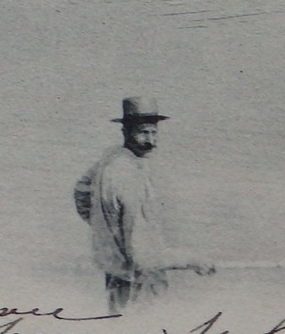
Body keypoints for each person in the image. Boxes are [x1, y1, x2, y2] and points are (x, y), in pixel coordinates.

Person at [74, 97, 212, 312]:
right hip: (139, 286)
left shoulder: (110, 161)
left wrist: (108, 230)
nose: (151, 141)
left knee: (118, 329)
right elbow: (145, 259)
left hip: (115, 277)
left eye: (154, 133)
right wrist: (193, 260)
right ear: (125, 132)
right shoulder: (128, 175)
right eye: (143, 132)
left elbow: (81, 191)